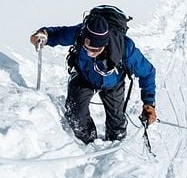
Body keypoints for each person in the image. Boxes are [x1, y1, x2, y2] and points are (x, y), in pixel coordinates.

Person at [31, 11, 157, 144]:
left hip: (113, 82)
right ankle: (87, 143)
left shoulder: (125, 47)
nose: (90, 53)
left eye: (95, 50)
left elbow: (148, 72)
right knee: (76, 115)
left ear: (105, 44)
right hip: (84, 76)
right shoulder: (80, 32)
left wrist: (149, 103)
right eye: (87, 48)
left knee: (116, 123)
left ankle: (116, 145)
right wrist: (44, 34)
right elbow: (58, 34)